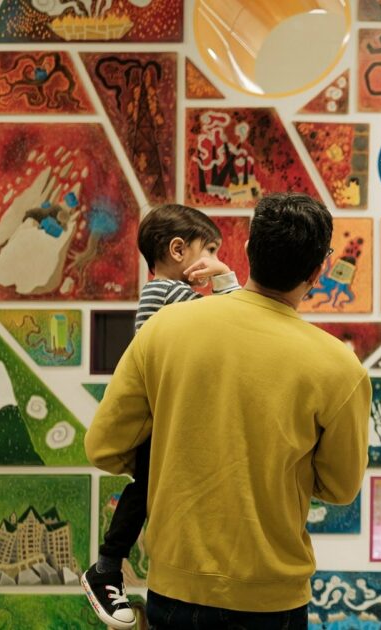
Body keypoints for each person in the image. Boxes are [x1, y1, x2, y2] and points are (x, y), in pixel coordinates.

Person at [86, 193, 371, 629]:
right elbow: (340, 486)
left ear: (250, 250)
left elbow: (104, 448)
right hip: (274, 598)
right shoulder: (340, 367)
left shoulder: (163, 329)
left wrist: (173, 460)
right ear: (317, 272)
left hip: (176, 588)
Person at [82, 204, 242, 628]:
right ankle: (106, 567)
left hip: (167, 417)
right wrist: (225, 277)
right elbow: (237, 319)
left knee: (149, 493)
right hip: (162, 419)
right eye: (209, 250)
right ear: (177, 250)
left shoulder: (167, 293)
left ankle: (109, 566)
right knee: (145, 492)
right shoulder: (169, 292)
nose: (213, 259)